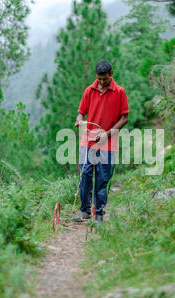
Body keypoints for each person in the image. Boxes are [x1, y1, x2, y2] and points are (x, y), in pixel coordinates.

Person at [73, 60, 129, 223]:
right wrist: (79, 121)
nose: (102, 82)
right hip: (88, 140)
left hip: (108, 142)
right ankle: (85, 211)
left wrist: (107, 134)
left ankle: (98, 213)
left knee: (102, 179)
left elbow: (124, 118)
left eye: (105, 79)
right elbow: (81, 113)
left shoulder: (120, 92)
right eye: (99, 79)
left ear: (111, 74)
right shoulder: (89, 91)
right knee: (84, 175)